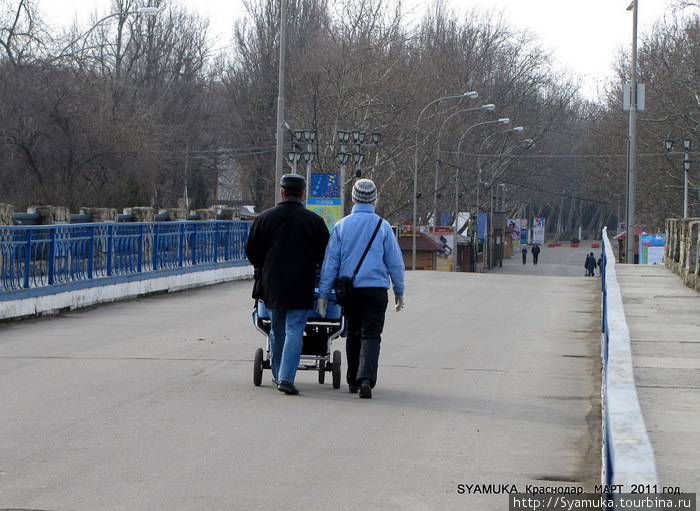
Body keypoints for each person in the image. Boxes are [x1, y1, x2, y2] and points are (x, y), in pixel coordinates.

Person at [317, 179, 405, 399]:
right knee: (372, 335)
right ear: (374, 199)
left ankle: (353, 381)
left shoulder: (341, 226)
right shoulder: (382, 226)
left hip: (350, 290)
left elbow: (331, 264)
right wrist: (399, 291)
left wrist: (324, 295)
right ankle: (366, 378)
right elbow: (395, 262)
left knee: (353, 332)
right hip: (376, 291)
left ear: (354, 198)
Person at [246, 174, 330, 395]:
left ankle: (276, 374)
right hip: (301, 283)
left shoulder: (263, 219)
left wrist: (266, 267)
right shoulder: (314, 221)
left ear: (282, 192)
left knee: (277, 328)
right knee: (295, 328)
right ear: (303, 195)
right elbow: (326, 255)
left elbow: (252, 253)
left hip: (272, 284)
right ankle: (286, 378)